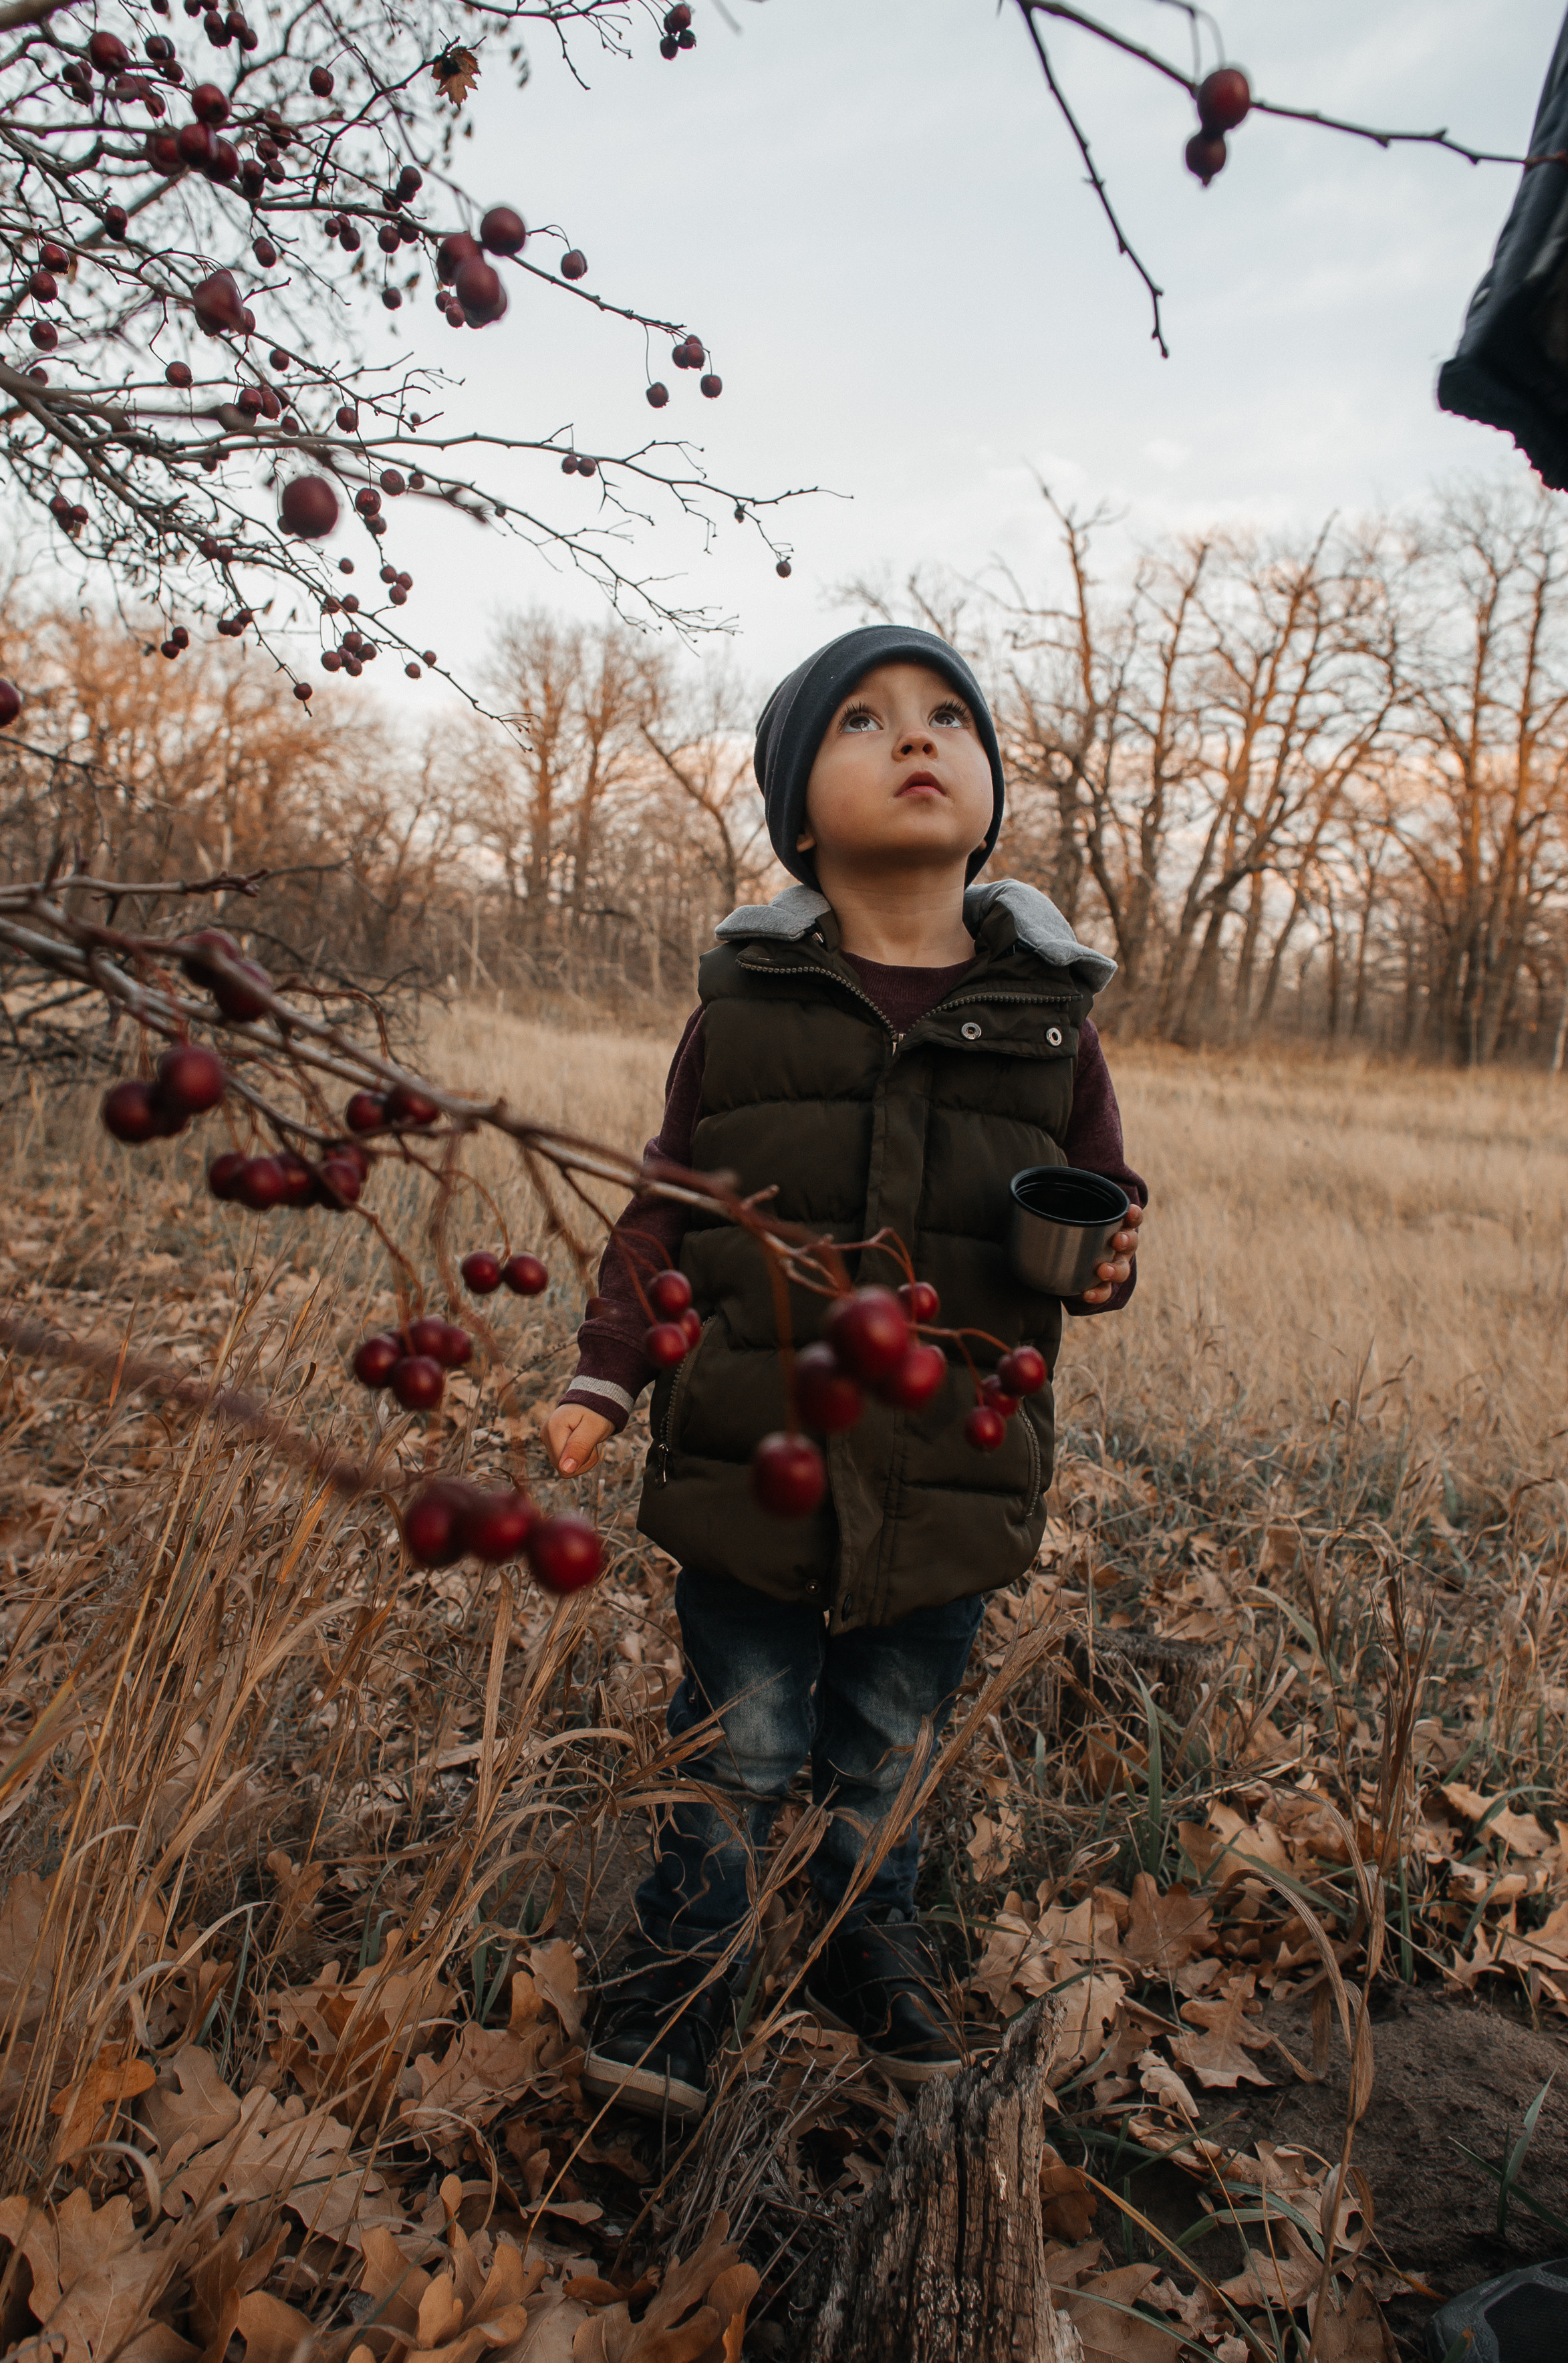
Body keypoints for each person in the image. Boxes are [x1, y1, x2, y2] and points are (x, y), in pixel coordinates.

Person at [543, 623, 1147, 2120]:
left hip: (950, 1468)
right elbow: (665, 1200)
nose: (919, 737)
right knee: (740, 1741)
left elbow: (1104, 1198)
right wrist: (603, 1376)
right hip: (755, 1455)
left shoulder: (1048, 1025)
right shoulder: (745, 1007)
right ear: (800, 813)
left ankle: (861, 1929)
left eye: (950, 716)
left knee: (887, 1746)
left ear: (988, 791)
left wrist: (1112, 1256)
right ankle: (693, 1954)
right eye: (865, 721)